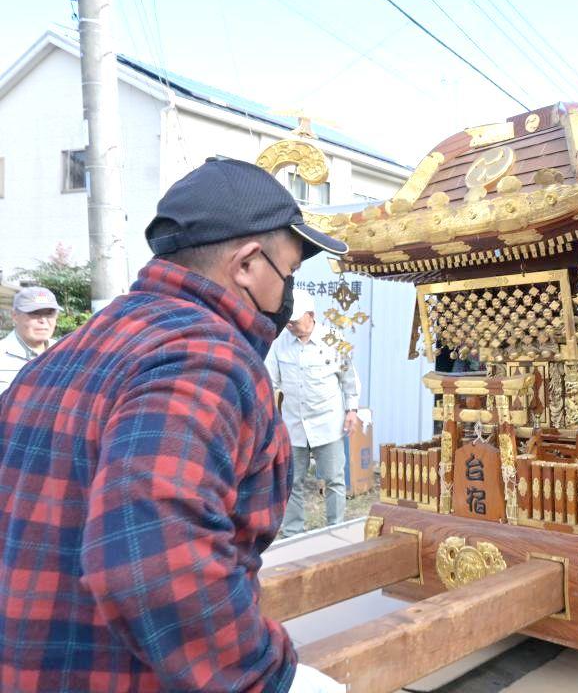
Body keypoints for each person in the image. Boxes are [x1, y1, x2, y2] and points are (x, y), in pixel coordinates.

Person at [0, 157, 348, 691]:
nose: (288, 295)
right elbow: (152, 558)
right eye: (289, 274)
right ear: (249, 264)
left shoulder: (66, 353)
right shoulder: (207, 360)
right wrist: (266, 677)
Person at [266, 288, 362, 538]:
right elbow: (271, 382)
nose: (290, 326)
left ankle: (336, 530)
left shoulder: (335, 340)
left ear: (311, 315)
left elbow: (349, 379)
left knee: (334, 479)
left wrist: (352, 410)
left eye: (295, 321)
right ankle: (293, 533)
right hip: (294, 425)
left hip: (327, 423)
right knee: (291, 482)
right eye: (288, 321)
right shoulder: (279, 343)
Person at [0, 286, 62, 396]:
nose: (43, 320)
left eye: (49, 313)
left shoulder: (64, 352)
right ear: (15, 316)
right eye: (34, 313)